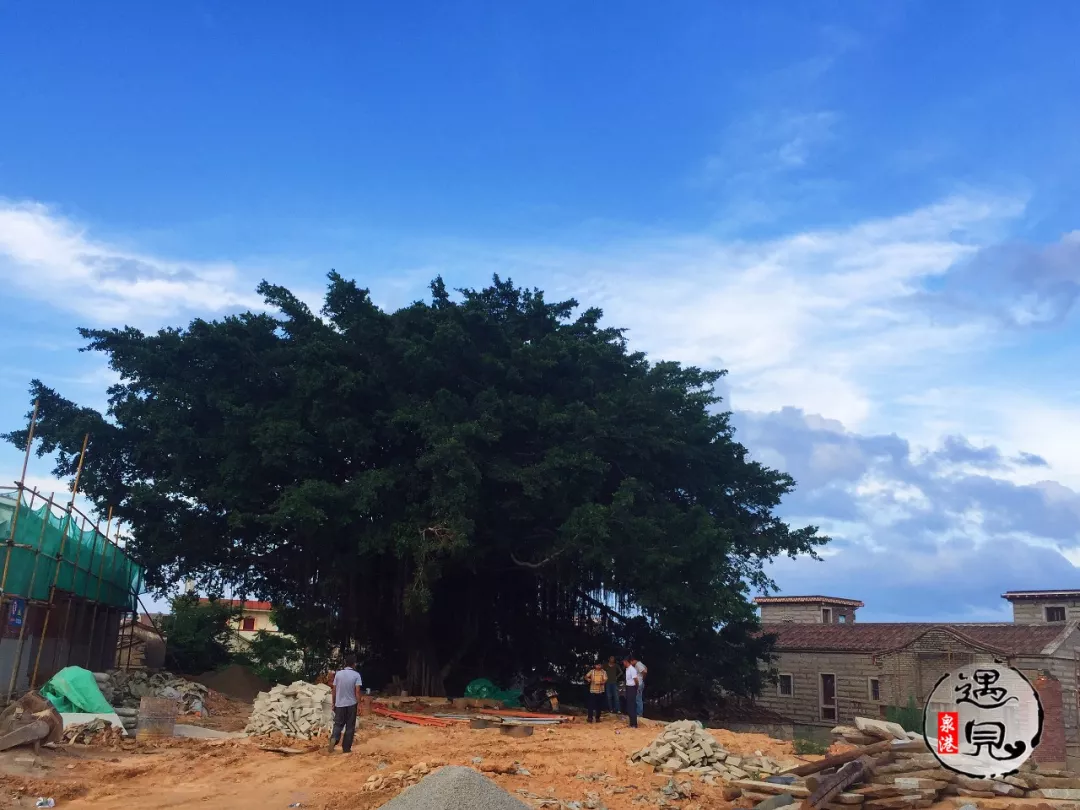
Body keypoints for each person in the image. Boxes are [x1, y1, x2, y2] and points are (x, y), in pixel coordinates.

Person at [328, 653, 364, 753]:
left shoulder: (338, 674)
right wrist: (360, 704)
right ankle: (346, 748)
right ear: (354, 664)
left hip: (339, 704)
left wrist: (333, 703)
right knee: (350, 726)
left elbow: (334, 690)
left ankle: (334, 738)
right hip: (351, 704)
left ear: (345, 663)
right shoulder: (356, 675)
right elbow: (357, 691)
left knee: (338, 724)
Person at [623, 657, 641, 728]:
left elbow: (636, 680)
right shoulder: (627, 669)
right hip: (628, 687)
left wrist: (636, 687)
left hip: (632, 687)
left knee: (632, 705)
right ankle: (631, 723)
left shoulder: (632, 669)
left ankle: (634, 724)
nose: (623, 663)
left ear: (626, 661)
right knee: (629, 705)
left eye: (624, 662)